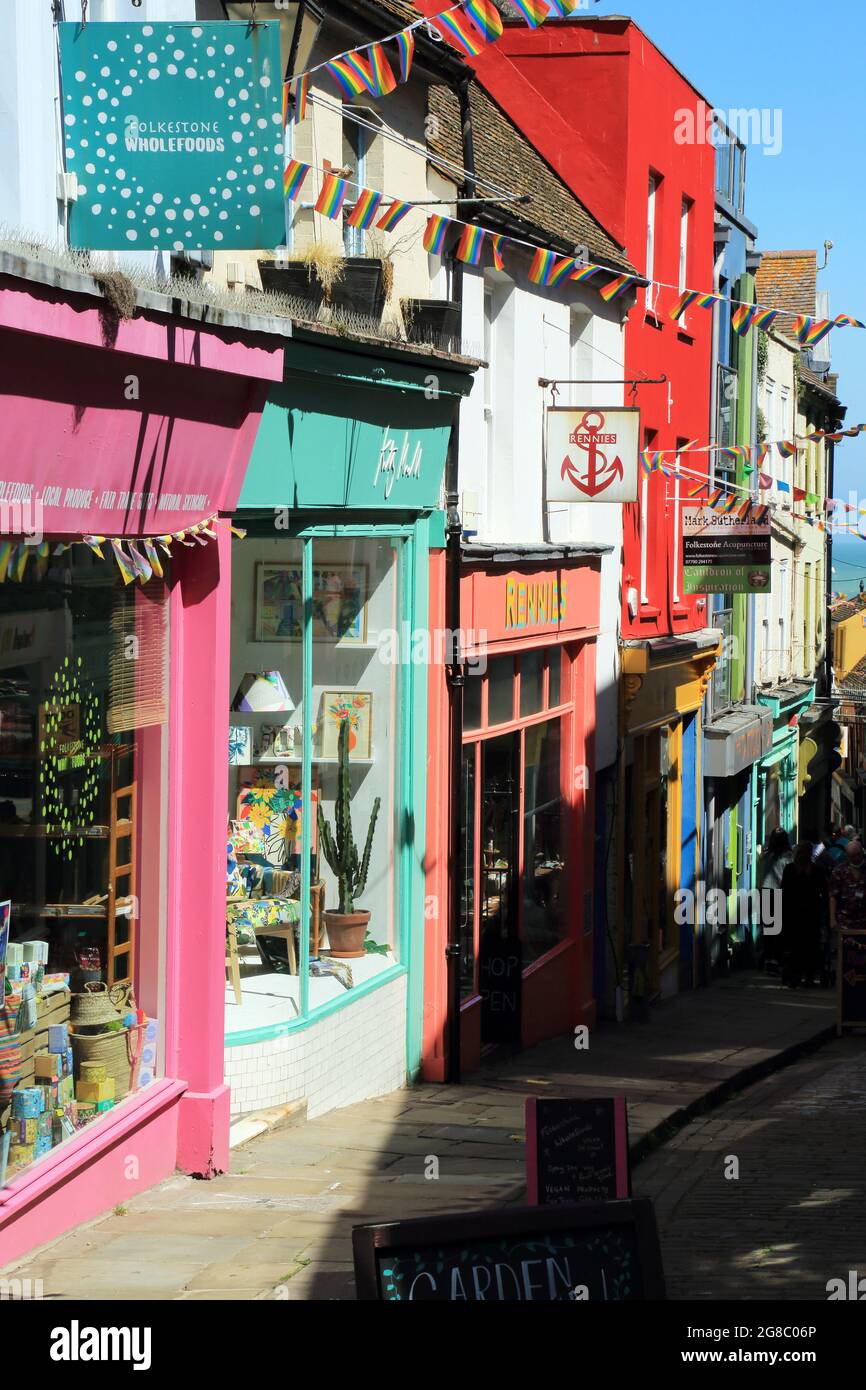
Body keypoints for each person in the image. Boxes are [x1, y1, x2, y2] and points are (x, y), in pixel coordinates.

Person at [780, 842, 826, 987]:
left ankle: (801, 976)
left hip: (802, 915)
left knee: (802, 947)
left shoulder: (795, 869)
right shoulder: (812, 870)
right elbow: (824, 892)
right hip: (803, 914)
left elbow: (784, 892)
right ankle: (804, 976)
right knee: (804, 947)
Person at [759, 829, 793, 971]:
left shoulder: (766, 855)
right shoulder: (789, 857)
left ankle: (769, 958)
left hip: (766, 892)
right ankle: (778, 959)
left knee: (768, 928)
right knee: (780, 929)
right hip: (781, 892)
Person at [830, 839, 866, 940]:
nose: (857, 858)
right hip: (846, 922)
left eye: (859, 854)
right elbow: (833, 897)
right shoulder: (839, 871)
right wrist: (832, 919)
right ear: (848, 856)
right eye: (853, 856)